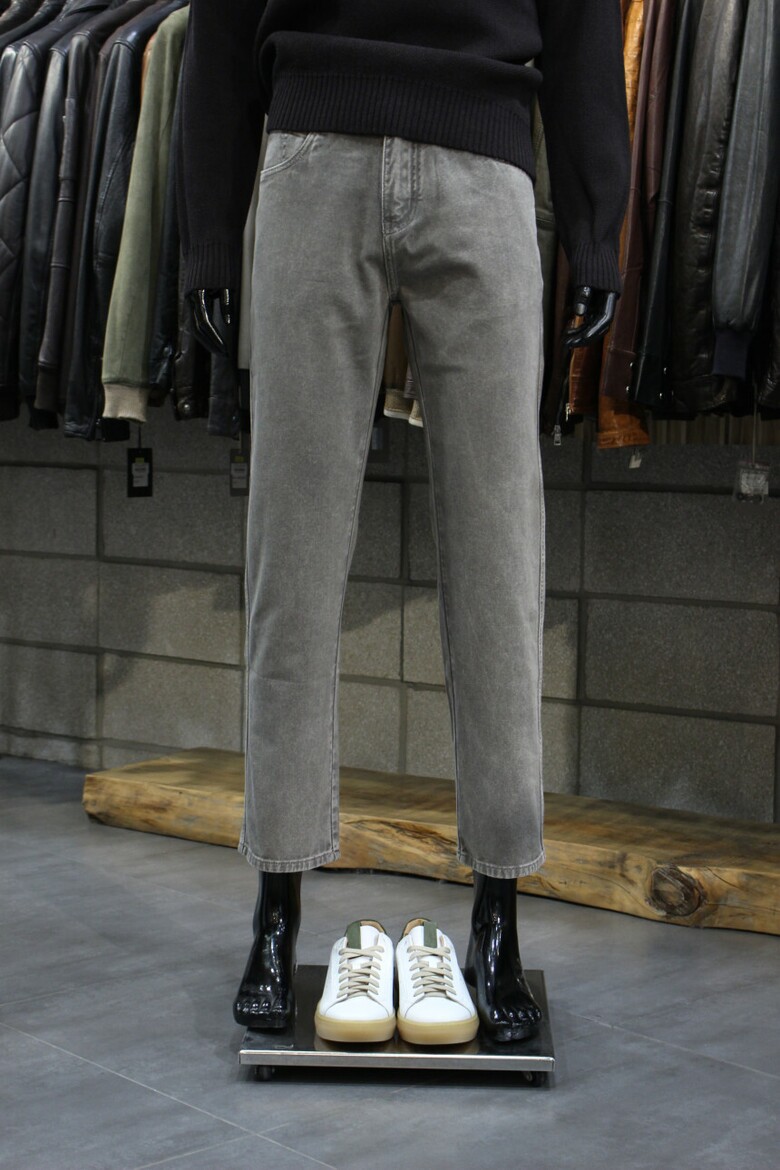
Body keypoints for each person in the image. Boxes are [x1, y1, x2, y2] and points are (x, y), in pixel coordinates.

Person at [177, 0, 630, 1042]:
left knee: (499, 558)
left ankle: (498, 913)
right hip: (312, 155)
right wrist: (208, 235)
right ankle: (277, 901)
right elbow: (222, 23)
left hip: (485, 166)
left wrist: (597, 228)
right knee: (290, 558)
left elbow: (580, 20)